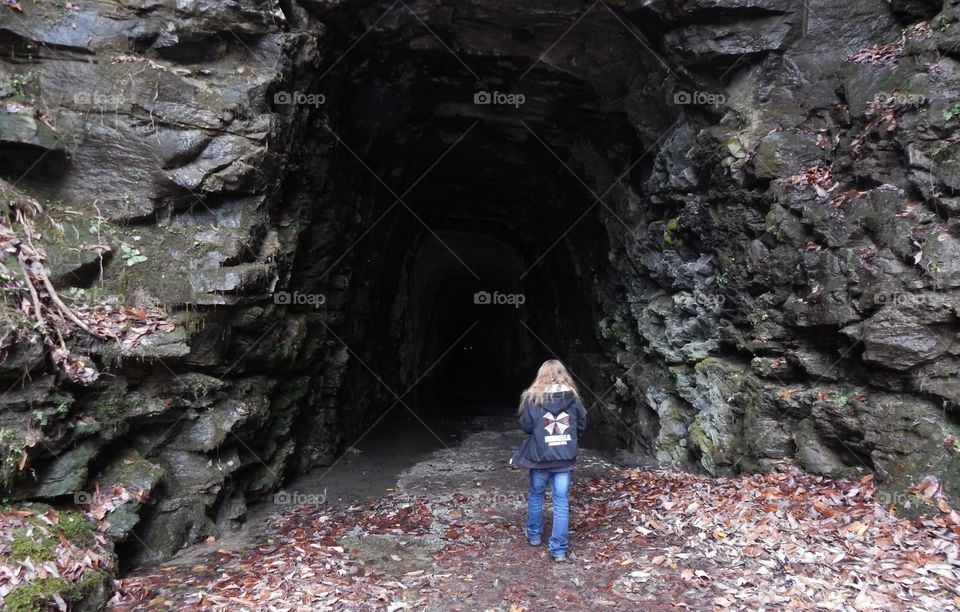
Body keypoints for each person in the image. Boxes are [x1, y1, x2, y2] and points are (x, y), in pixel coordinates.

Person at [510, 359, 588, 562]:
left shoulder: (531, 399)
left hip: (540, 458)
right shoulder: (573, 399)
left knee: (536, 494)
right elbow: (581, 426)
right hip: (564, 458)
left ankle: (534, 535)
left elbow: (526, 427)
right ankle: (559, 550)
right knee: (561, 502)